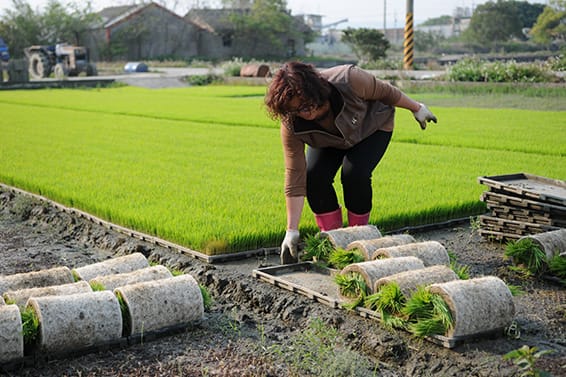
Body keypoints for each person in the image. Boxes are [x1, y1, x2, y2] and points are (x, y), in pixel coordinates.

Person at [264, 62, 437, 264]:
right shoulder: (291, 124)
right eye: (298, 110)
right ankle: (335, 241)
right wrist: (291, 230)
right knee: (314, 178)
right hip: (328, 140)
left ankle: (360, 237)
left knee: (354, 174)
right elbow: (295, 175)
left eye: (307, 104)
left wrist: (417, 108)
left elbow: (387, 93)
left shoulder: (349, 79)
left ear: (316, 90)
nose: (306, 113)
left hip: (371, 128)